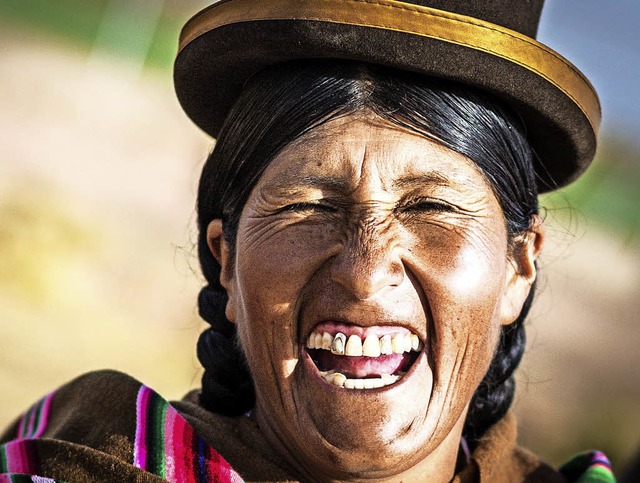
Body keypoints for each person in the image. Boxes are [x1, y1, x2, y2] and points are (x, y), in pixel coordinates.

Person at [0, 1, 617, 481]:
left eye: (431, 207)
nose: (365, 270)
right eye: (307, 206)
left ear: (517, 268)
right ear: (226, 260)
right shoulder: (82, 464)